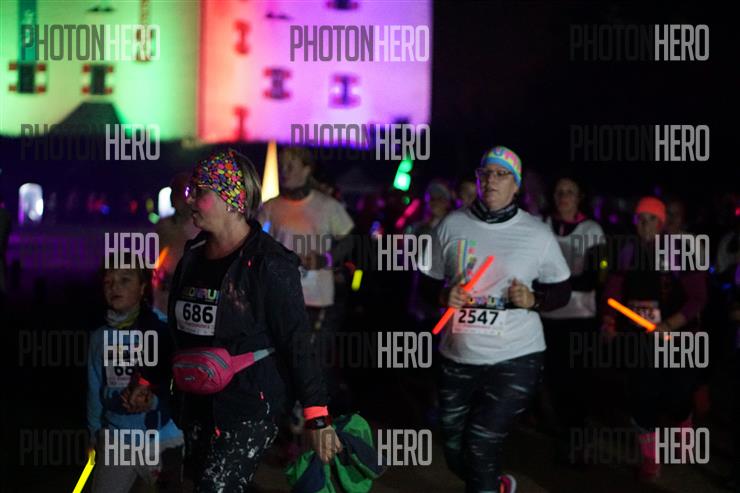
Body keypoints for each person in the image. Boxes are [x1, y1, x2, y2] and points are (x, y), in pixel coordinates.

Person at [170, 149, 340, 491]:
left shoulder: (270, 263)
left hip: (247, 405)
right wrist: (149, 381)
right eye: (190, 190)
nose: (189, 200)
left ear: (232, 200)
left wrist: (317, 415)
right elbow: (177, 331)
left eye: (200, 191)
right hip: (196, 401)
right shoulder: (192, 256)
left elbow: (296, 340)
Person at [422, 145, 572, 493]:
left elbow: (562, 290)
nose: (491, 180)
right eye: (486, 173)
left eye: (502, 174)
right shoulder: (451, 224)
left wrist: (534, 299)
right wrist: (443, 296)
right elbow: (425, 283)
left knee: (480, 443)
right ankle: (497, 485)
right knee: (455, 451)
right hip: (458, 356)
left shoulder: (536, 233)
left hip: (516, 357)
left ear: (515, 185)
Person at [601, 196, 708, 481]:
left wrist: (670, 325)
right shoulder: (628, 252)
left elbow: (698, 298)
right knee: (641, 396)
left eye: (652, 219)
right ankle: (650, 457)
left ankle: (684, 427)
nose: (645, 224)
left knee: (677, 395)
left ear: (661, 223)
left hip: (677, 339)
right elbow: (613, 291)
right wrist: (609, 321)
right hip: (641, 340)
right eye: (641, 218)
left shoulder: (680, 251)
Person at [87, 253, 183, 492]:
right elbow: (94, 388)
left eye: (125, 279)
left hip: (162, 439)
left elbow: (180, 385)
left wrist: (154, 401)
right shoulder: (99, 338)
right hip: (116, 439)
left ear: (142, 287)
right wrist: (94, 433)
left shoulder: (163, 329)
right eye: (108, 281)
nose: (114, 287)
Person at [539, 175, 605, 459]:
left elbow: (592, 278)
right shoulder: (541, 225)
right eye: (559, 191)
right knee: (553, 378)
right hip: (546, 316)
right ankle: (562, 431)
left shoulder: (592, 230)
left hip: (580, 317)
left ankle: (579, 436)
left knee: (578, 380)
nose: (564, 197)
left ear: (580, 197)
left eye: (570, 192)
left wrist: (553, 282)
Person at [152, 172, 200, 319]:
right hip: (163, 298)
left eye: (179, 191)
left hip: (189, 301)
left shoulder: (202, 227)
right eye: (174, 192)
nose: (175, 197)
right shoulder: (164, 226)